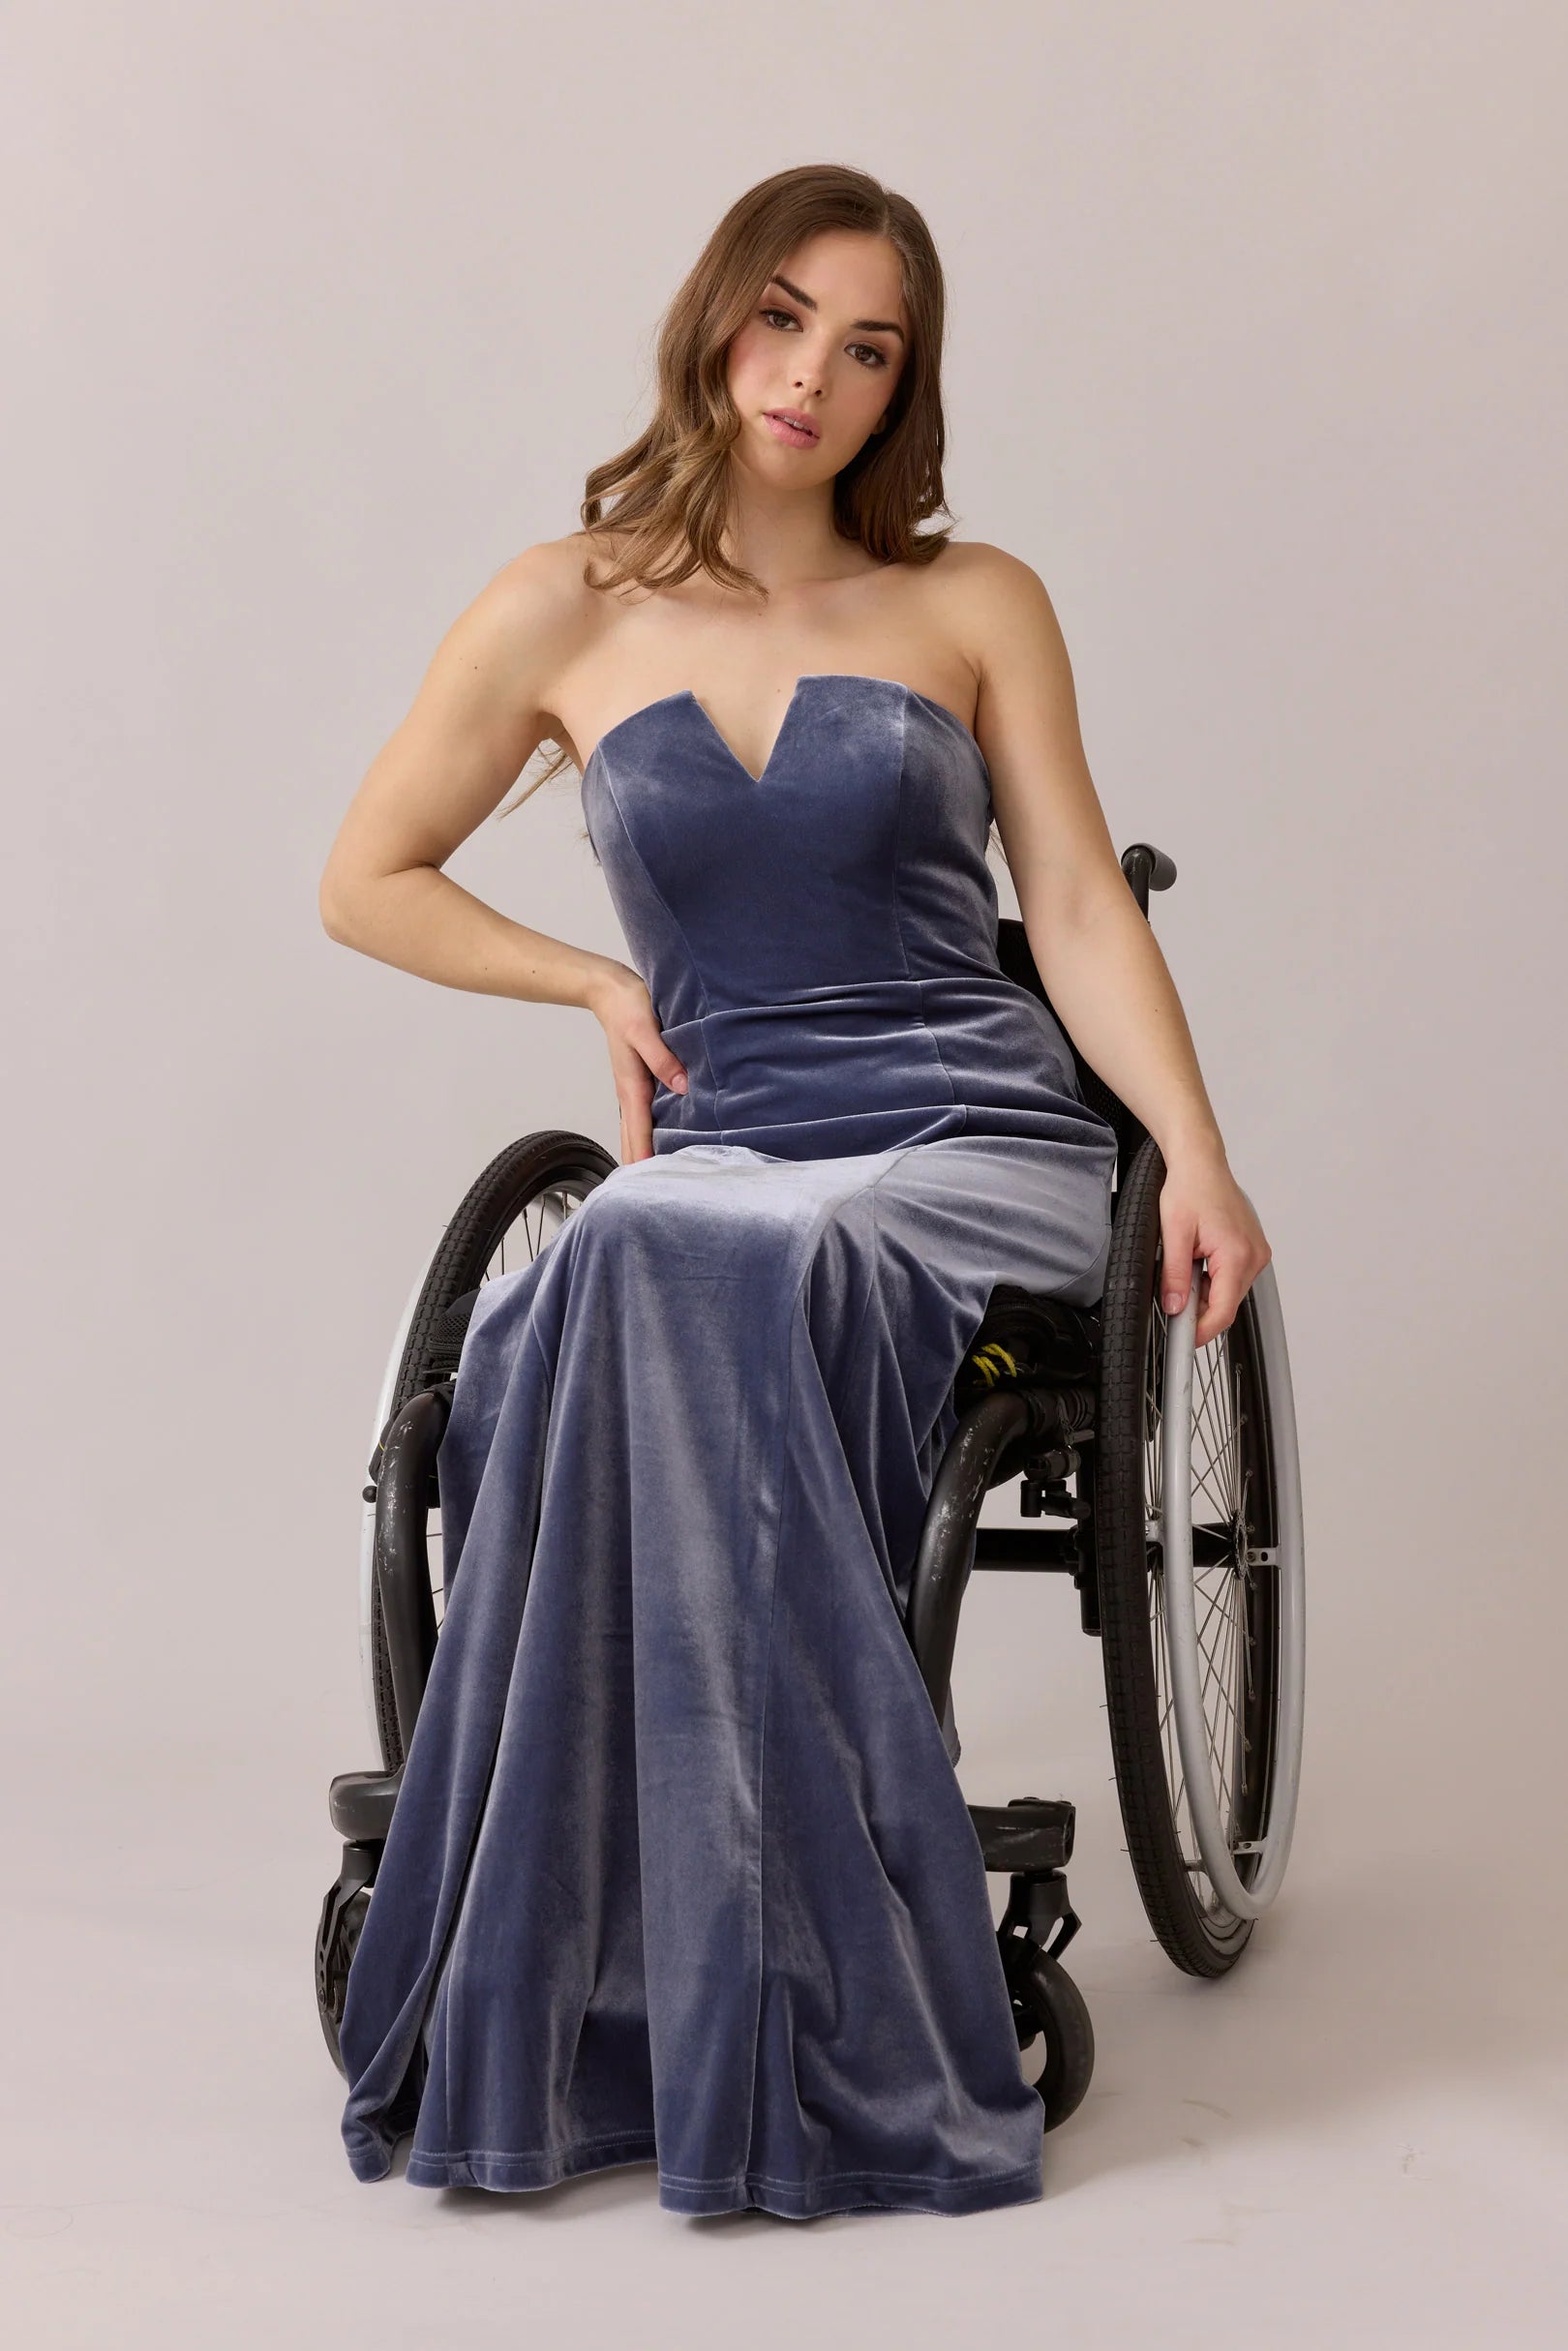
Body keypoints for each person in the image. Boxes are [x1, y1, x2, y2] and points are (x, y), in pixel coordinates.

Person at [317, 162, 1271, 2221]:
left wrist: (1192, 1149)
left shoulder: (972, 601)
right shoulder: (563, 606)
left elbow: (1074, 903)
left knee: (703, 1248)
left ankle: (791, 1964)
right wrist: (593, 980)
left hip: (968, 1139)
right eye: (781, 319)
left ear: (903, 389)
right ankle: (648, 1943)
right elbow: (363, 876)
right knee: (627, 1250)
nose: (810, 377)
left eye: (868, 350)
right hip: (736, 1144)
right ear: (713, 319)